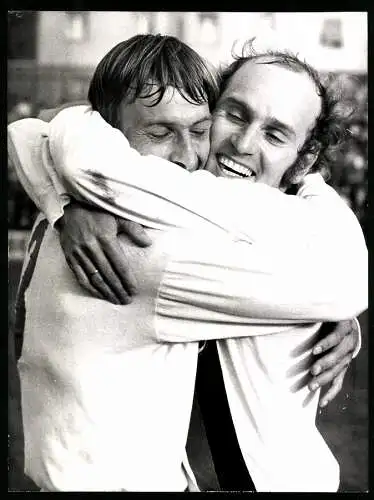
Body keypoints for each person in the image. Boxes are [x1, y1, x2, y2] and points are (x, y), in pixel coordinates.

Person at [8, 35, 366, 492]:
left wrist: (338, 318)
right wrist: (65, 203)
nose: (240, 142)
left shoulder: (286, 236)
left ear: (304, 159)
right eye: (233, 113)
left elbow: (46, 133)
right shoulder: (142, 241)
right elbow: (346, 281)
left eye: (276, 134)